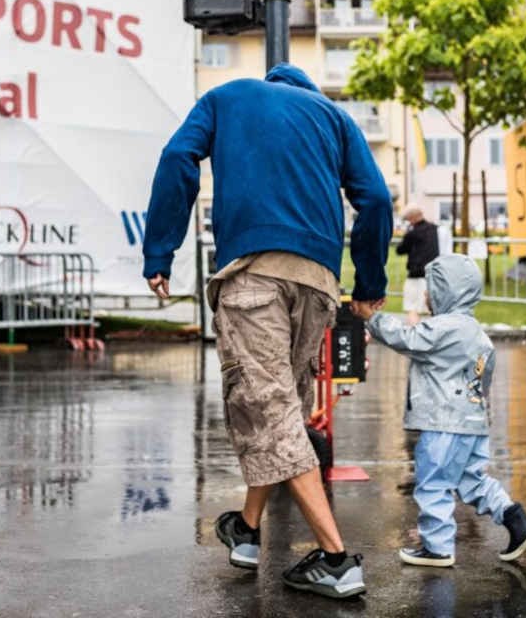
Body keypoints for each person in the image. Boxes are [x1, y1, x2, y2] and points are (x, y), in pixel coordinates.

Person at [142, 63, 393, 599]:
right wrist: (369, 282)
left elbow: (177, 159)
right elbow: (374, 199)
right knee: (281, 405)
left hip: (255, 270)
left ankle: (335, 560)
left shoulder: (227, 97)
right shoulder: (334, 116)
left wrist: (160, 248)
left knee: (268, 406)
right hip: (320, 280)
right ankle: (247, 528)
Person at [351, 254, 526, 568]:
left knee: (433, 482)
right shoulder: (473, 331)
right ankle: (518, 523)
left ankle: (437, 547)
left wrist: (372, 317)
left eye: (431, 289)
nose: (426, 296)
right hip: (472, 423)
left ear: (447, 291)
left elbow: (409, 339)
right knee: (472, 481)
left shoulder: (445, 327)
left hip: (444, 424)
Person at [396, 206, 439, 325]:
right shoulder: (435, 229)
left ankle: (415, 336)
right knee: (434, 309)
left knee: (412, 308)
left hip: (416, 274)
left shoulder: (412, 233)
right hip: (434, 274)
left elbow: (400, 250)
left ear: (411, 217)